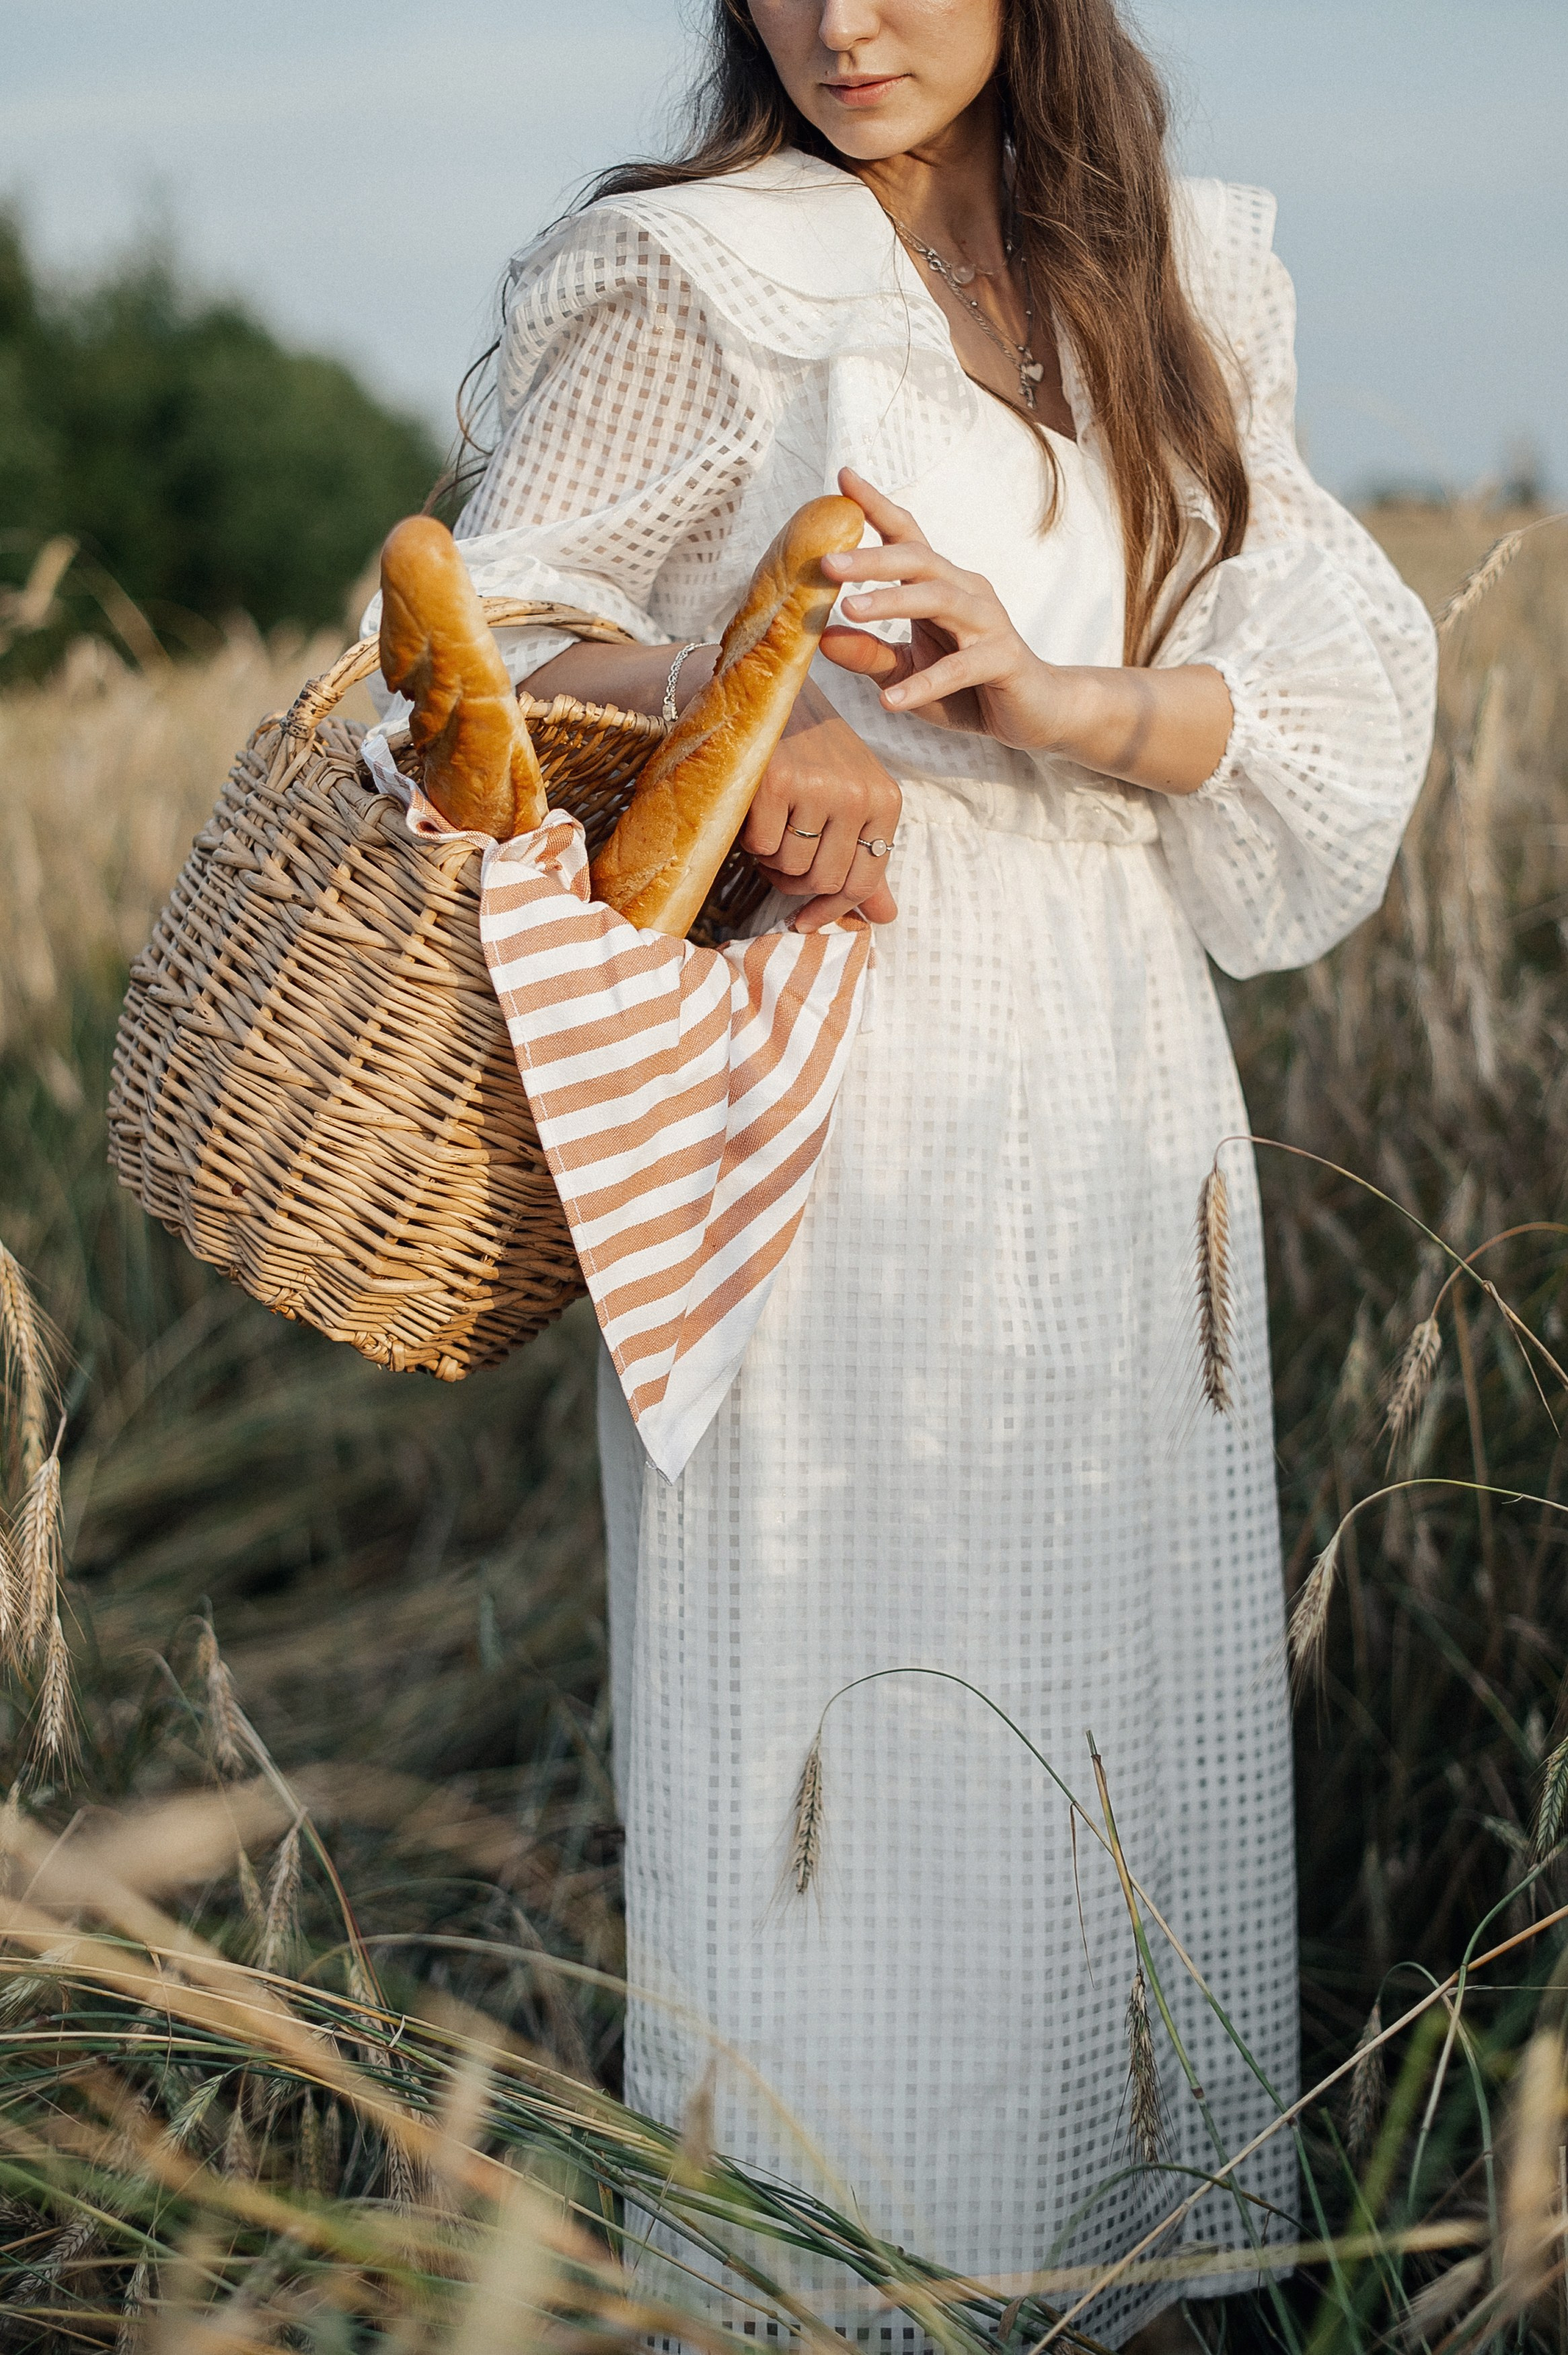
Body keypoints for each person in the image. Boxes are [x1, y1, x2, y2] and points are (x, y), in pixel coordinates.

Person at [428, 1, 1437, 2342]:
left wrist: (1056, 696)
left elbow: (1318, 697)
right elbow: (481, 639)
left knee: (1118, 1711)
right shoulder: (702, 271)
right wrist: (752, 693)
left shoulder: (1173, 272)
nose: (836, 21)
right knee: (852, 1732)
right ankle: (842, 2293)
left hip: (1113, 1101)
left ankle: (1128, 2287)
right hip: (823, 1097)